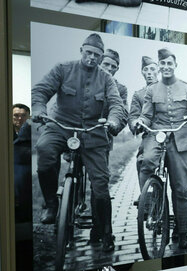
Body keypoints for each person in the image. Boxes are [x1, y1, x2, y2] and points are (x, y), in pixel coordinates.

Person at [31, 33, 127, 252]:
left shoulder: (106, 79)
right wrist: (38, 109)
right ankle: (51, 204)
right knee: (44, 152)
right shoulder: (63, 69)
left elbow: (116, 104)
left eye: (97, 55)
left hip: (92, 134)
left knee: (101, 186)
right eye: (89, 53)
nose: (92, 58)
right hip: (61, 127)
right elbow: (41, 90)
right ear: (81, 50)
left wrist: (112, 121)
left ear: (101, 57)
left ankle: (104, 233)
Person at [137, 48, 187, 250]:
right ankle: (151, 206)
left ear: (175, 65)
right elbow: (147, 115)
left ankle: (181, 233)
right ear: (159, 66)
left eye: (169, 64)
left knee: (181, 188)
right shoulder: (151, 90)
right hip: (157, 135)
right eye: (162, 64)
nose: (166, 67)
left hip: (180, 138)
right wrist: (140, 120)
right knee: (146, 162)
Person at [129, 56, 159, 186]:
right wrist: (135, 124)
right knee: (142, 160)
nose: (149, 72)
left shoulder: (168, 89)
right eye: (146, 70)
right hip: (150, 135)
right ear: (142, 72)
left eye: (152, 69)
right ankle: (145, 196)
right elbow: (133, 116)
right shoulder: (138, 95)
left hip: (170, 134)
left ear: (158, 70)